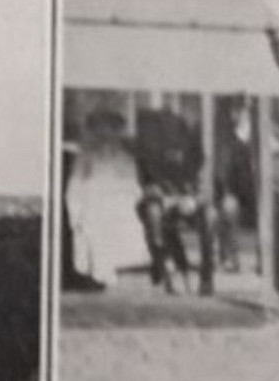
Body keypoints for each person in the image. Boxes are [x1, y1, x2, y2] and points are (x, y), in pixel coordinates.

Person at [135, 104, 215, 295]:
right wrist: (164, 197)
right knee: (155, 215)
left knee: (210, 217)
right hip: (159, 200)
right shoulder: (147, 150)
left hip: (185, 199)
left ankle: (206, 276)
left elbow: (201, 181)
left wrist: (193, 198)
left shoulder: (191, 150)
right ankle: (166, 269)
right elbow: (146, 185)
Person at [65, 110, 148, 288]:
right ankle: (98, 269)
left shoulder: (125, 158)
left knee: (114, 221)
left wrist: (123, 193)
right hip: (90, 201)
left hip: (118, 203)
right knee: (93, 223)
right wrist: (77, 209)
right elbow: (76, 184)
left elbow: (134, 187)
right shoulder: (86, 157)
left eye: (112, 131)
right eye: (102, 131)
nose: (107, 136)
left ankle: (110, 267)